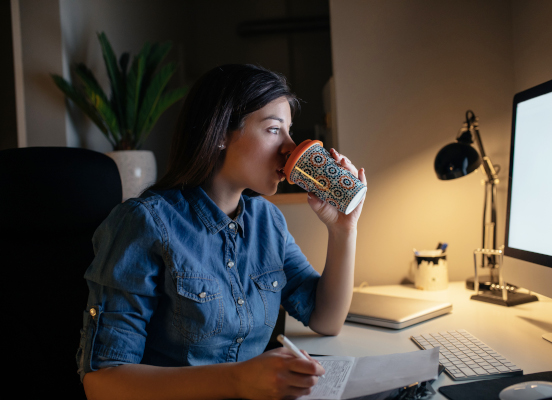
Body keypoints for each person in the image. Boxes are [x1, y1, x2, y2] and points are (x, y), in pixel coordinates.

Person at [78, 64, 366, 400]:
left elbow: (325, 319)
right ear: (219, 135)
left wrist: (343, 230)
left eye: (289, 132)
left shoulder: (267, 222)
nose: (290, 148)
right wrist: (238, 380)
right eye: (274, 130)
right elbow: (103, 381)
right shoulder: (144, 222)